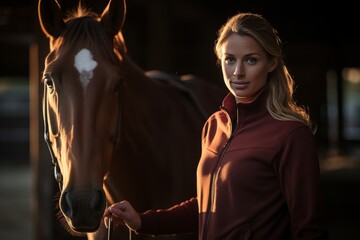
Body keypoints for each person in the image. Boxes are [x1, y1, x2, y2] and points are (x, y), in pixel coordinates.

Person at [103, 12, 329, 239]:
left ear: (271, 63)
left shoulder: (291, 136)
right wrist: (143, 220)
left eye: (251, 60)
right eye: (230, 59)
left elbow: (309, 229)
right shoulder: (214, 126)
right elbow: (207, 206)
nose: (238, 72)